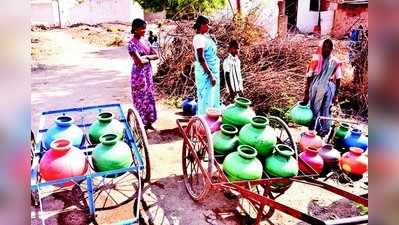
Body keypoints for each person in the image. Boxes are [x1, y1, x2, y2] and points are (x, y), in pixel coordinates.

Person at [303, 39, 342, 137]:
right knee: (314, 109)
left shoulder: (335, 62)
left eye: (329, 47)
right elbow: (309, 75)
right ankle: (313, 131)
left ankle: (324, 132)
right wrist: (306, 92)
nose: (327, 49)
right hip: (315, 87)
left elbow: (338, 79)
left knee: (326, 109)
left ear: (332, 48)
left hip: (328, 89)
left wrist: (336, 95)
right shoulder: (315, 59)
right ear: (321, 47)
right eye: (325, 46)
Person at [128, 18, 158, 130]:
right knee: (140, 98)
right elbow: (138, 61)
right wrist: (146, 58)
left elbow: (156, 55)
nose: (144, 30)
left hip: (147, 73)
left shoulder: (145, 41)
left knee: (149, 96)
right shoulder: (131, 44)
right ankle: (140, 125)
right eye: (142, 28)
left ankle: (149, 123)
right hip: (138, 75)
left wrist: (145, 57)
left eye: (145, 28)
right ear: (135, 29)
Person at [192, 15, 221, 115]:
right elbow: (201, 58)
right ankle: (203, 123)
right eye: (207, 24)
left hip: (213, 71)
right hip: (206, 73)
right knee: (205, 98)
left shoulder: (205, 37)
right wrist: (210, 74)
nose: (209, 27)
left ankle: (211, 121)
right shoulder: (198, 38)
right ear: (201, 25)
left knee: (212, 97)